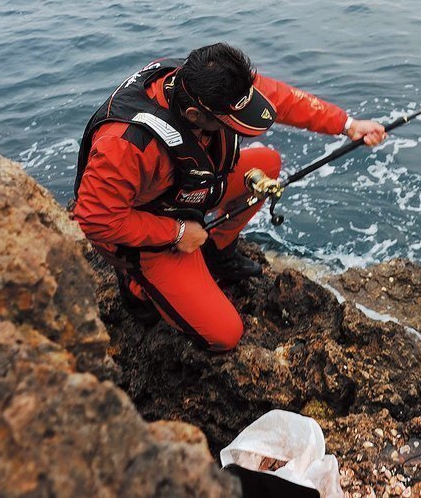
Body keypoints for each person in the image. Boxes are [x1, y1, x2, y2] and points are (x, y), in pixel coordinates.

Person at [71, 43, 386, 352]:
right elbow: (96, 219)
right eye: (231, 124)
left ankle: (218, 250)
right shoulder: (124, 145)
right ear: (195, 114)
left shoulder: (219, 83)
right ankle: (137, 288)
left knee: (267, 164)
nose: (240, 126)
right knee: (225, 335)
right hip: (146, 224)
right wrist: (177, 233)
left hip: (186, 192)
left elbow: (283, 101)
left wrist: (348, 125)